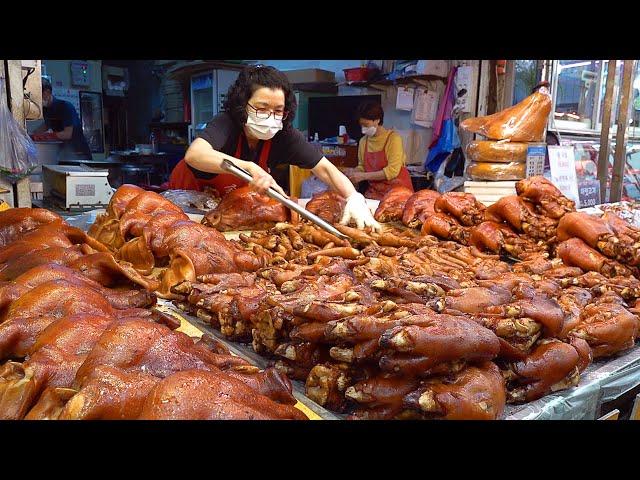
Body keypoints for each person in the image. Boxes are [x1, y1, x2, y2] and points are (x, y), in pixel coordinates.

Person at [171, 65, 380, 230]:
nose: (270, 117)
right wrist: (250, 167)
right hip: (190, 207)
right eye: (262, 108)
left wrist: (353, 197)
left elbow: (325, 169)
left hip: (226, 212)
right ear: (242, 105)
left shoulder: (283, 135)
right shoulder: (227, 123)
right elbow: (195, 154)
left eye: (278, 110)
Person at [344, 101, 413, 200]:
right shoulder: (363, 141)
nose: (363, 129)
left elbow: (392, 171)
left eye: (366, 125)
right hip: (375, 193)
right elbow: (362, 166)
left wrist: (363, 176)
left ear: (377, 120)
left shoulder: (393, 139)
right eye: (361, 125)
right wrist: (354, 172)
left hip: (398, 193)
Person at [33, 78, 92, 160]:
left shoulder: (65, 107)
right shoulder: (46, 109)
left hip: (79, 154)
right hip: (64, 154)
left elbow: (67, 134)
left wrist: (46, 136)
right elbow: (47, 125)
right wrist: (31, 135)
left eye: (38, 96)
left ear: (47, 92)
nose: (37, 99)